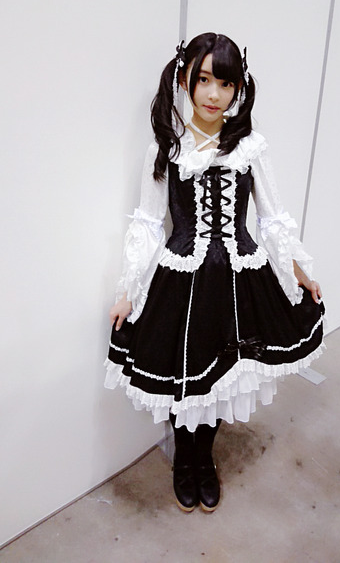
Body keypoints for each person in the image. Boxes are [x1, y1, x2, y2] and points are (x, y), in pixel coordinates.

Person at [105, 33, 325, 513]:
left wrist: (300, 272)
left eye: (225, 84)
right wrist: (128, 291)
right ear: (185, 79)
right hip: (182, 280)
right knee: (185, 379)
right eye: (203, 80)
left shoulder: (251, 147)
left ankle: (204, 459)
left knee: (224, 378)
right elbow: (147, 223)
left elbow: (273, 217)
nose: (213, 94)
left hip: (239, 280)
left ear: (237, 89)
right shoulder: (166, 148)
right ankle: (184, 460)